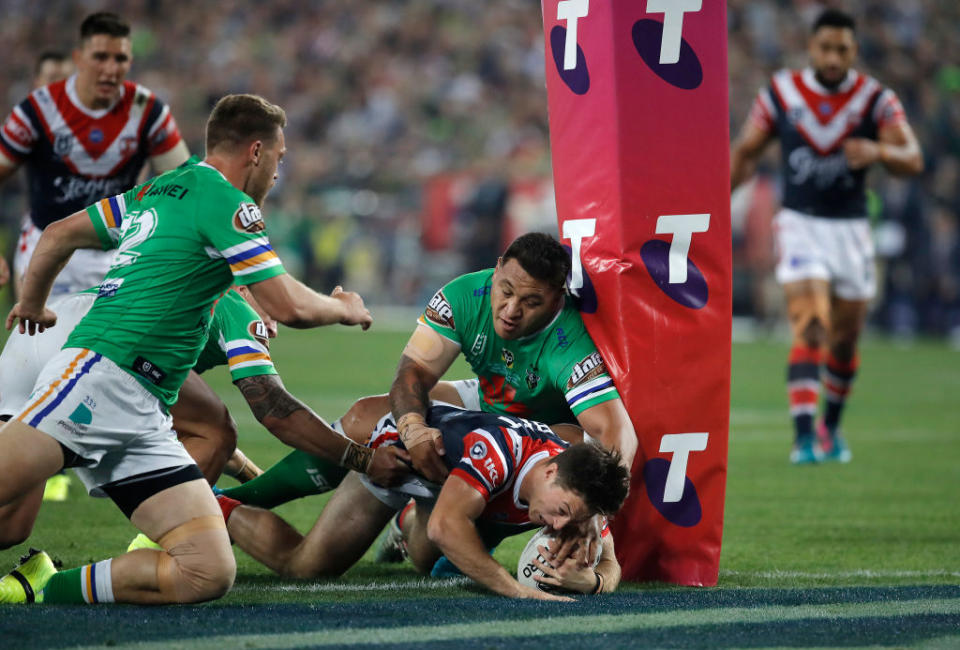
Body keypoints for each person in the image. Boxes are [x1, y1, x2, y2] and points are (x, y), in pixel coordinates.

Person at [0, 93, 395, 606]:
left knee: (206, 570)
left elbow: (57, 234)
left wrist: (32, 303)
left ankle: (43, 587)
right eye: (280, 156)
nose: (279, 171)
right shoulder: (227, 201)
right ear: (256, 151)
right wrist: (346, 308)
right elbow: (288, 307)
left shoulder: (162, 186)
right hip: (101, 374)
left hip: (145, 408)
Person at [220, 233, 638, 513]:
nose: (510, 311)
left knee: (567, 452)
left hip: (538, 435)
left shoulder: (569, 341)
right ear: (496, 269)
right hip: (491, 405)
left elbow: (614, 435)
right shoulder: (463, 296)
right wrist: (415, 428)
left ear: (556, 299)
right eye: (506, 291)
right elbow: (412, 375)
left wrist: (594, 519)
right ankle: (235, 504)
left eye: (530, 302)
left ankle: (425, 523)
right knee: (364, 417)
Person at [730, 8, 923, 464]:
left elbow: (912, 158)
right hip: (800, 224)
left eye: (842, 49)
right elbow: (746, 153)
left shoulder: (875, 99)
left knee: (844, 339)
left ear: (854, 51)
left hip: (853, 231)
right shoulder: (781, 92)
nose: (833, 57)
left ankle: (830, 430)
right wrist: (715, 207)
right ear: (811, 48)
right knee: (811, 322)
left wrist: (877, 149)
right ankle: (803, 439)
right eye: (825, 48)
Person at [221, 403, 628, 600]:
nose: (556, 527)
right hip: (400, 462)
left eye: (569, 518)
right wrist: (519, 591)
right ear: (549, 471)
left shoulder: (579, 499)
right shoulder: (500, 452)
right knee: (306, 566)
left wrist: (592, 582)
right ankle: (218, 506)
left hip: (455, 484)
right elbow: (445, 528)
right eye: (560, 513)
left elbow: (612, 563)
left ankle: (406, 523)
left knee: (425, 561)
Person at [0, 12, 190, 297]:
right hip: (47, 250)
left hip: (118, 255)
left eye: (120, 59)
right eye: (100, 57)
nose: (111, 69)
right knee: (44, 340)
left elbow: (186, 187)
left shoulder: (148, 112)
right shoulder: (38, 109)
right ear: (78, 59)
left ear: (130, 62)